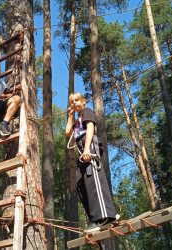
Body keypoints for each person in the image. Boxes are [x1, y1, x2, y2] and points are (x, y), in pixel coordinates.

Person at [65, 92, 119, 233]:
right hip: (83, 152)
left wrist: (88, 148)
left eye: (77, 100)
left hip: (89, 149)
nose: (75, 103)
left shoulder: (86, 111)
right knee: (81, 184)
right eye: (72, 102)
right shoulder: (77, 120)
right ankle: (97, 218)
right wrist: (70, 115)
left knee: (94, 179)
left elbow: (90, 128)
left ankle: (105, 216)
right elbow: (67, 132)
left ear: (83, 101)